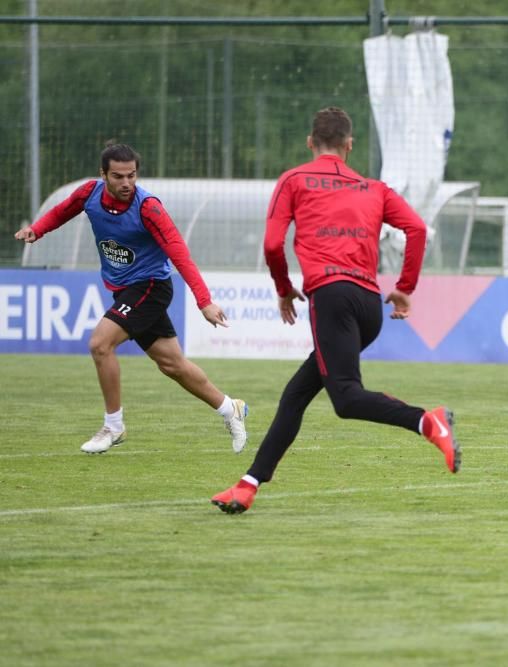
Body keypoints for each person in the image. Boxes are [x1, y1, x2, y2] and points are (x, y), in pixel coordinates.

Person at [211, 106, 460, 514]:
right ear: (349, 145)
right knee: (296, 394)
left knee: (345, 398)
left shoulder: (293, 180)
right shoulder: (375, 188)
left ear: (310, 143)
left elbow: (273, 245)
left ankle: (427, 421)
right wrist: (404, 287)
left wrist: (283, 289)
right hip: (368, 306)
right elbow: (416, 229)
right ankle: (248, 485)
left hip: (331, 296)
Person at [14, 143, 248, 454]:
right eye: (118, 176)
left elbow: (180, 254)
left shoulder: (148, 207)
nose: (126, 183)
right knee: (172, 364)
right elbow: (62, 211)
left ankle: (113, 426)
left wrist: (204, 301)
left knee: (100, 344)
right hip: (125, 290)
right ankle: (229, 408)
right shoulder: (89, 194)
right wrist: (37, 230)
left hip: (151, 286)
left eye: (131, 176)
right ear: (103, 175)